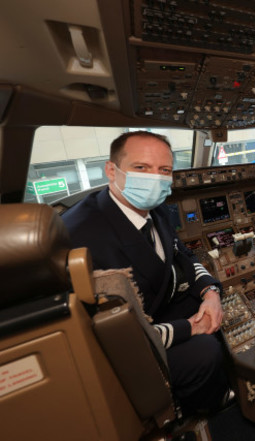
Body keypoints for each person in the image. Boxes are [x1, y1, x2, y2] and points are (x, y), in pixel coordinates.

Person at [62, 131, 230, 415]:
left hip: (158, 307)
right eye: (141, 168)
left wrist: (210, 293)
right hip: (129, 340)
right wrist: (192, 327)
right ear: (111, 170)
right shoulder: (79, 234)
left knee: (216, 307)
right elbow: (115, 335)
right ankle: (203, 411)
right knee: (205, 352)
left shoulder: (157, 210)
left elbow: (183, 255)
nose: (155, 178)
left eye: (164, 170)